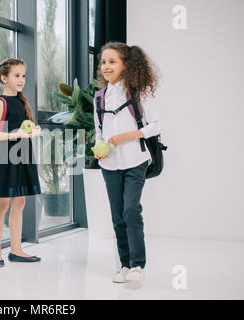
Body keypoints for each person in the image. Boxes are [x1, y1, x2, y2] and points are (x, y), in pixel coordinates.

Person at [92, 42, 160, 285]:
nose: (106, 66)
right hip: (109, 164)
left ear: (125, 65)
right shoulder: (99, 97)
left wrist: (127, 137)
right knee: (117, 215)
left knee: (131, 209)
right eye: (103, 62)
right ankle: (124, 264)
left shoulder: (138, 92)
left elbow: (155, 126)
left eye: (112, 61)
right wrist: (98, 148)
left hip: (135, 160)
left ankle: (138, 265)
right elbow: (99, 130)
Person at [0, 58, 42, 267]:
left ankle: (16, 249)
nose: (22, 80)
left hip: (22, 155)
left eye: (24, 76)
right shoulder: (0, 102)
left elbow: (24, 127)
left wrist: (33, 131)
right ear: (3, 78)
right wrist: (15, 134)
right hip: (6, 158)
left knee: (20, 202)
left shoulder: (21, 101)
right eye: (17, 75)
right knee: (3, 204)